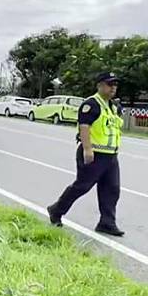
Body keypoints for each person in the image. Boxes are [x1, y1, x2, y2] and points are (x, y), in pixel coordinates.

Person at [47, 72, 125, 236]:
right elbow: (84, 127)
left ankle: (107, 222)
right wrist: (87, 149)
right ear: (100, 85)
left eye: (115, 85)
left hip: (110, 156)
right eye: (110, 84)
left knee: (112, 189)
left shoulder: (114, 106)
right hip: (94, 154)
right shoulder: (91, 104)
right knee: (82, 186)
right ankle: (56, 210)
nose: (113, 88)